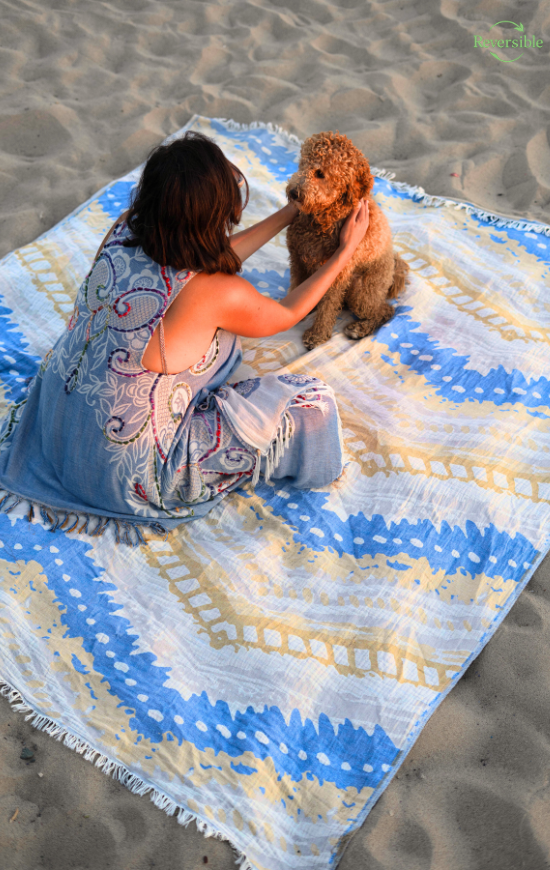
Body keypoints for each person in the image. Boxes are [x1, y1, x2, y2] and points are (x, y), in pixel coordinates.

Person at [0, 132, 369, 544]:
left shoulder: (125, 230)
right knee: (310, 406)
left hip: (54, 428)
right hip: (119, 472)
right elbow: (286, 312)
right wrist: (343, 253)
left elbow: (207, 257)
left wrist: (289, 213)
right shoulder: (214, 293)